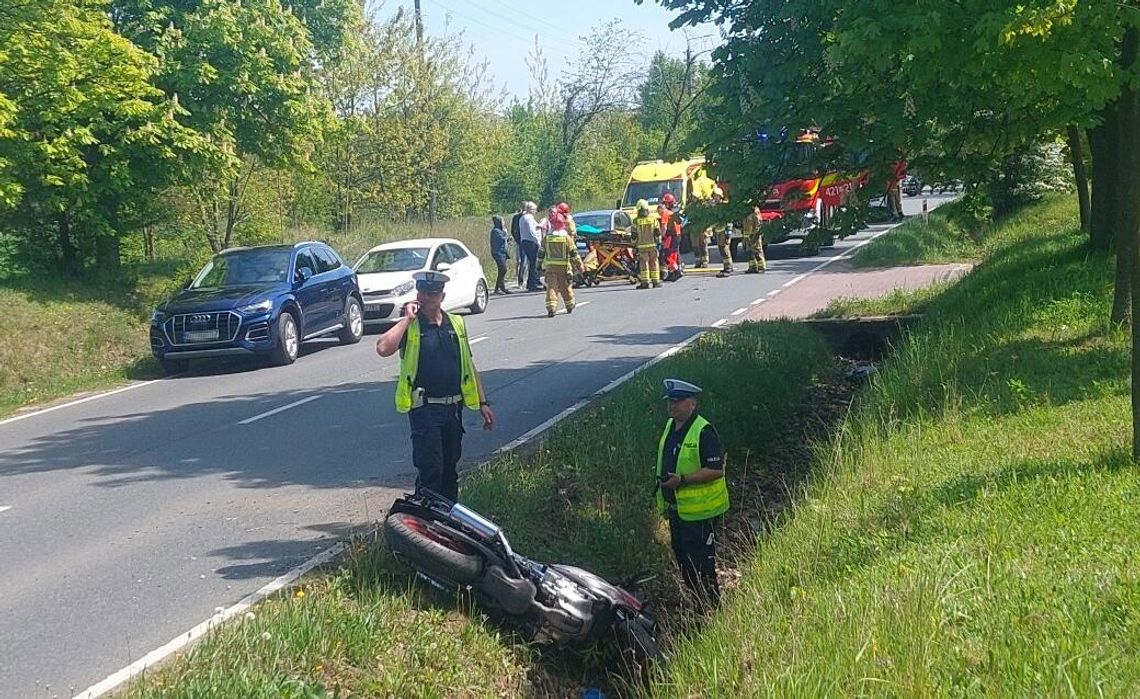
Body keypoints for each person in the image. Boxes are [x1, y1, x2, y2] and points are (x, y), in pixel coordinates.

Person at [375, 271, 495, 503]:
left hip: (453, 409)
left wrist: (483, 403)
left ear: (442, 296)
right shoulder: (411, 325)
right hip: (425, 409)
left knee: (450, 471)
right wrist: (406, 319)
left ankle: (448, 524)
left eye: (433, 293)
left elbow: (469, 365)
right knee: (432, 470)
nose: (427, 298)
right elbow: (382, 348)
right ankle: (423, 525)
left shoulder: (456, 323)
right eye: (423, 292)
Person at [654, 378, 728, 606]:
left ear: (692, 404)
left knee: (702, 566)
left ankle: (712, 609)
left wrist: (683, 480)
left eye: (678, 401)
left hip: (701, 513)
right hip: (678, 510)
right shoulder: (670, 425)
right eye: (670, 402)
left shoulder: (704, 431)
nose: (673, 406)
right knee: (684, 563)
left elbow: (715, 470)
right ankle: (699, 605)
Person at [542, 211, 581, 317]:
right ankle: (569, 305)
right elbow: (574, 253)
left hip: (550, 269)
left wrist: (538, 266)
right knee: (566, 288)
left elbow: (540, 253)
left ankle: (551, 308)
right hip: (564, 268)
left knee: (551, 288)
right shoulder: (566, 238)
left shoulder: (547, 239)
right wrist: (579, 265)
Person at [632, 199, 661, 289]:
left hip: (641, 246)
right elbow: (657, 232)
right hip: (652, 245)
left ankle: (645, 282)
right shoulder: (653, 220)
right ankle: (656, 281)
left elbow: (634, 236)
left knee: (644, 264)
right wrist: (658, 243)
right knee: (654, 262)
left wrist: (634, 246)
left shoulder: (636, 221)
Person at [519, 201, 544, 291]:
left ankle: (531, 283)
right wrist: (538, 241)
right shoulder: (528, 218)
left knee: (532, 263)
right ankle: (532, 284)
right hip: (531, 242)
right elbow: (531, 231)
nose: (535, 211)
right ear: (531, 209)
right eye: (535, 210)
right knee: (534, 263)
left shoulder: (522, 218)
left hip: (525, 241)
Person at [490, 215, 511, 294]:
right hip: (498, 253)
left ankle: (502, 287)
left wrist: (508, 239)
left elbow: (504, 241)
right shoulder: (495, 231)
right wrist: (505, 234)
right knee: (503, 269)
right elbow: (501, 239)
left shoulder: (499, 230)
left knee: (502, 270)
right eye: (502, 221)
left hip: (502, 252)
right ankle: (497, 288)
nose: (504, 223)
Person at [742, 206, 767, 274]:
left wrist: (756, 234)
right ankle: (752, 267)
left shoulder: (755, 211)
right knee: (749, 252)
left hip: (754, 235)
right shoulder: (744, 212)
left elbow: (758, 223)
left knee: (757, 251)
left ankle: (761, 267)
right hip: (747, 235)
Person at [510, 203, 525, 289]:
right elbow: (513, 230)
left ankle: (528, 279)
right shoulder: (516, 217)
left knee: (527, 262)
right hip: (520, 242)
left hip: (527, 242)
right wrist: (518, 240)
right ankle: (520, 281)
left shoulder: (529, 217)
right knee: (521, 261)